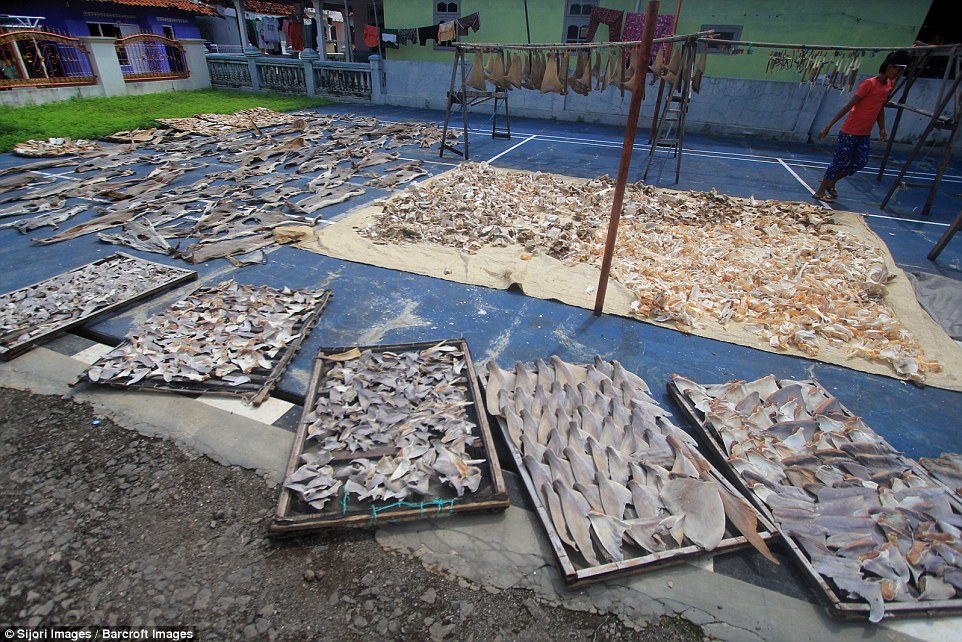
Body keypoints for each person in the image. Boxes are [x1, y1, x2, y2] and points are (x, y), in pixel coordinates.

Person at [811, 51, 910, 202]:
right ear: (890, 67)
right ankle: (819, 191)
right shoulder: (869, 84)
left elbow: (879, 108)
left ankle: (832, 182)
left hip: (865, 132)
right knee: (839, 161)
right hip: (850, 131)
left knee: (861, 161)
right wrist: (828, 126)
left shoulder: (889, 85)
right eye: (898, 70)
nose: (899, 74)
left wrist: (882, 128)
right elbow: (849, 105)